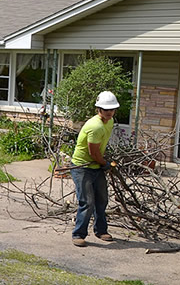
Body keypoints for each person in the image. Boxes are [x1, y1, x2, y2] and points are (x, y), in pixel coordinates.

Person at [70, 91, 119, 247]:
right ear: (99, 109)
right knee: (87, 201)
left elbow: (101, 147)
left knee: (102, 199)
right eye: (106, 110)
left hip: (95, 165)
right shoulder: (95, 126)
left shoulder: (109, 122)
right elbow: (93, 152)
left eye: (112, 109)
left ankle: (101, 230)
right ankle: (78, 234)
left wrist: (102, 162)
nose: (110, 112)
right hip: (82, 167)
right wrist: (104, 163)